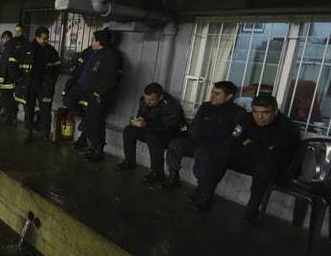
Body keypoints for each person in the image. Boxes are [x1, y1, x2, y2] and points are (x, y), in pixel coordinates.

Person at [190, 94, 300, 226]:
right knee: (222, 152)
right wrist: (259, 147)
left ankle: (251, 211)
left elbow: (276, 156)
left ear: (275, 111)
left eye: (265, 113)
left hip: (275, 167)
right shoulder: (247, 118)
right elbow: (233, 140)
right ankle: (205, 196)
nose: (260, 117)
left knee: (264, 168)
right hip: (252, 160)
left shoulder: (287, 127)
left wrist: (249, 144)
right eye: (256, 112)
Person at [164, 81, 245, 189]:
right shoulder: (206, 106)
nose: (212, 96)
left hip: (215, 146)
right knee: (175, 143)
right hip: (197, 141)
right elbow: (193, 125)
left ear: (229, 96)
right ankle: (173, 178)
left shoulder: (238, 112)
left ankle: (202, 188)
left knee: (201, 153)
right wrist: (183, 130)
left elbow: (236, 135)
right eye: (212, 92)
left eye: (217, 94)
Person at [61, 28, 122, 162]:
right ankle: (87, 130)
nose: (91, 42)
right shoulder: (94, 52)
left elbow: (110, 79)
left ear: (99, 42)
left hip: (98, 94)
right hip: (84, 89)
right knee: (71, 103)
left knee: (96, 122)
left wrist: (98, 92)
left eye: (93, 40)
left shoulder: (111, 56)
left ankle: (97, 150)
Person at [117, 82, 186, 183]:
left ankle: (157, 173)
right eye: (146, 99)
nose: (148, 102)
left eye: (152, 100)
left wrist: (146, 125)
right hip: (151, 129)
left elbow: (168, 126)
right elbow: (141, 116)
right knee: (129, 130)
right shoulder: (144, 101)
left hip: (171, 133)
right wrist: (135, 121)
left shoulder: (171, 105)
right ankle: (129, 161)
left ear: (160, 97)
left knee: (153, 137)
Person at [12, 26, 61, 144]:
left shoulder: (51, 50)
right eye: (43, 39)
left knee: (46, 110)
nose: (46, 41)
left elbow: (57, 66)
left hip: (44, 86)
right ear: (36, 37)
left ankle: (46, 134)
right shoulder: (27, 48)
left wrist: (51, 81)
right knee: (28, 109)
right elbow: (12, 61)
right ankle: (28, 132)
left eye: (47, 38)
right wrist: (18, 78)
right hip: (29, 85)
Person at [0, 30, 17, 124]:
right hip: (10, 79)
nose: (2, 41)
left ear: (7, 38)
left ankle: (8, 119)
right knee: (9, 100)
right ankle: (9, 117)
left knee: (6, 100)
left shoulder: (8, 48)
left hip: (7, 80)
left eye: (3, 39)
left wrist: (0, 79)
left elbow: (4, 65)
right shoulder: (14, 46)